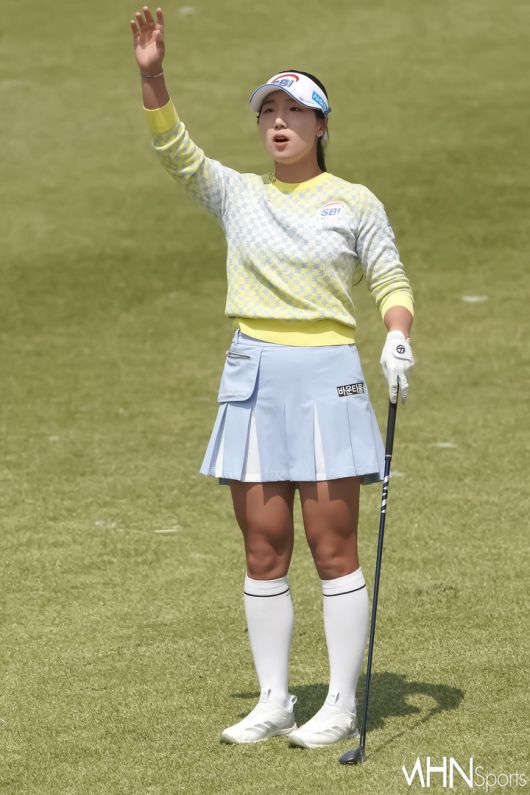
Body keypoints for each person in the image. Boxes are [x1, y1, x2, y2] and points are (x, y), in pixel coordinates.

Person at [130, 6, 415, 749]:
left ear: (322, 124)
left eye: (295, 112)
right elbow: (176, 152)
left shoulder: (354, 201)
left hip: (328, 377)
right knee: (263, 546)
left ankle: (342, 703)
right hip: (253, 376)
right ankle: (275, 700)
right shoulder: (239, 194)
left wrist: (396, 337)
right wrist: (154, 77)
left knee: (332, 546)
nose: (279, 123)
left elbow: (390, 279)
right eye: (268, 112)